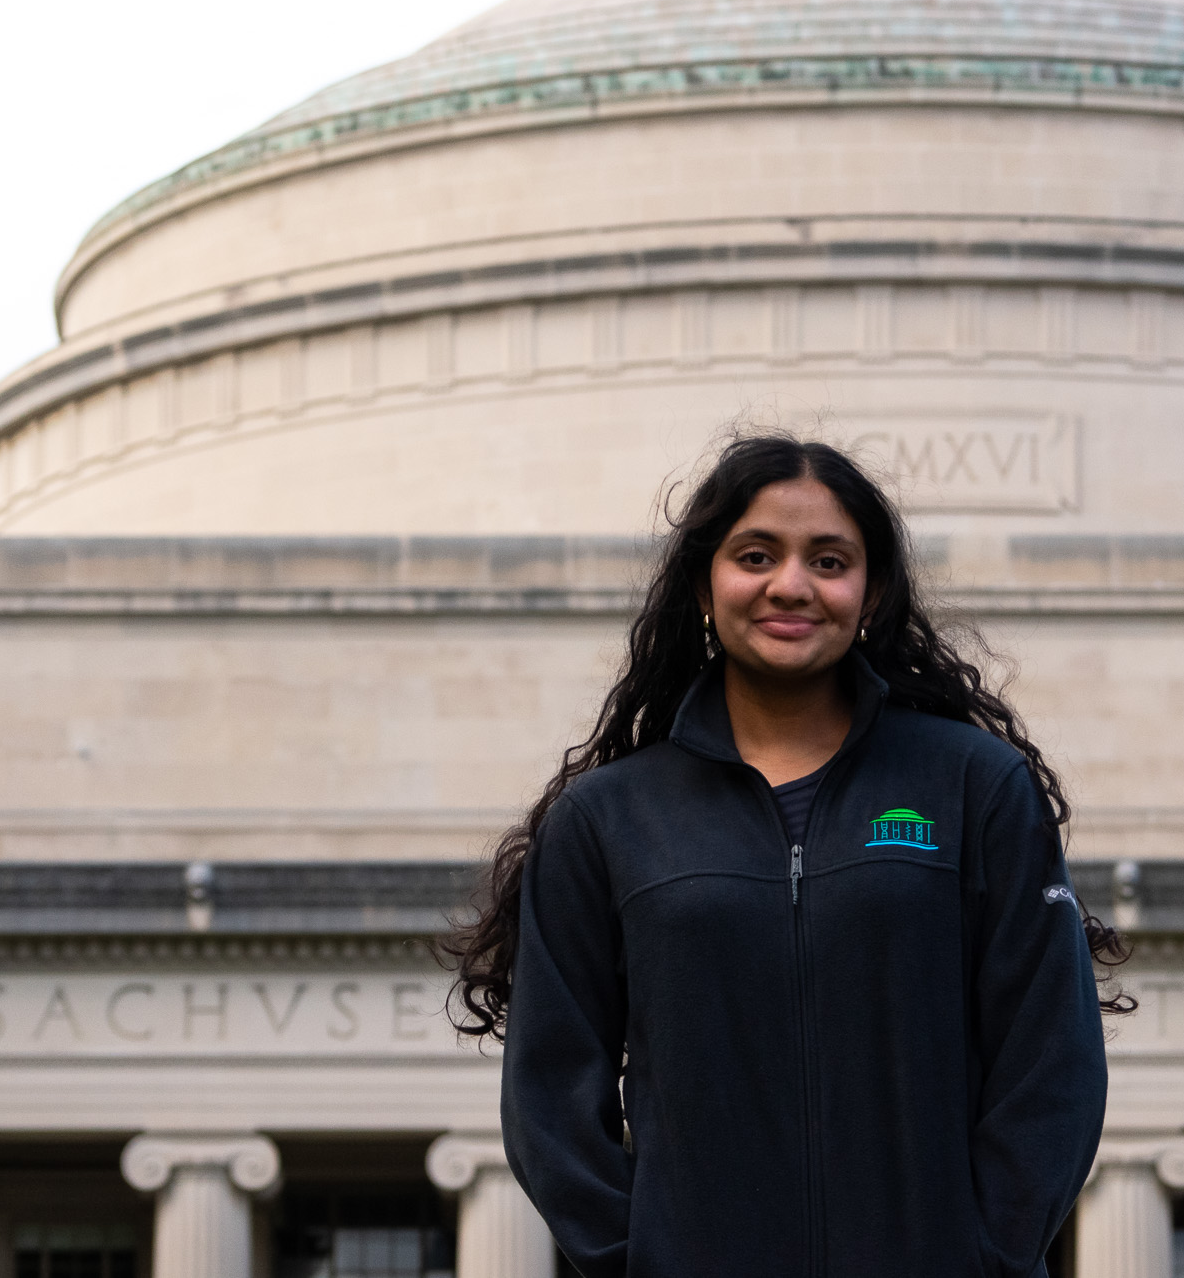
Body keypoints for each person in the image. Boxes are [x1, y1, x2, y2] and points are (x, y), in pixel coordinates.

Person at [446, 435, 1126, 1278]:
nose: (791, 584)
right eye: (756, 554)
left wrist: (982, 1254)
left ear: (871, 591)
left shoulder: (974, 786)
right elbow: (550, 1091)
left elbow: (1050, 1058)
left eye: (829, 559)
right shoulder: (607, 819)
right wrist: (641, 1261)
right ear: (705, 581)